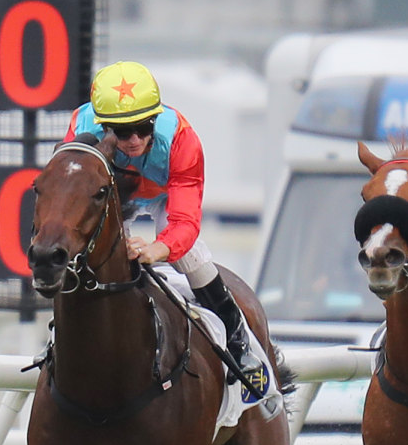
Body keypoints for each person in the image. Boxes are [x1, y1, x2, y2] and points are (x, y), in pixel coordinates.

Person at [69, 60, 273, 406]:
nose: (133, 140)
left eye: (143, 127)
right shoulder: (80, 131)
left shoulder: (182, 140)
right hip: (115, 196)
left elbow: (185, 223)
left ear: (155, 119)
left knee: (191, 257)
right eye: (122, 132)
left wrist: (156, 250)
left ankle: (239, 344)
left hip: (165, 195)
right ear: (103, 127)